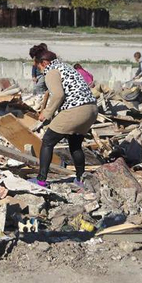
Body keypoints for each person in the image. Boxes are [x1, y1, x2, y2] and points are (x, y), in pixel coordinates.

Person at [27, 47, 98, 188]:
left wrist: (46, 113)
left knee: (47, 141)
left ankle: (41, 180)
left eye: (38, 66)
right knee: (75, 145)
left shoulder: (52, 71)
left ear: (44, 63)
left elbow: (58, 95)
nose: (40, 70)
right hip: (91, 109)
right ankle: (80, 179)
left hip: (75, 110)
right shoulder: (66, 67)